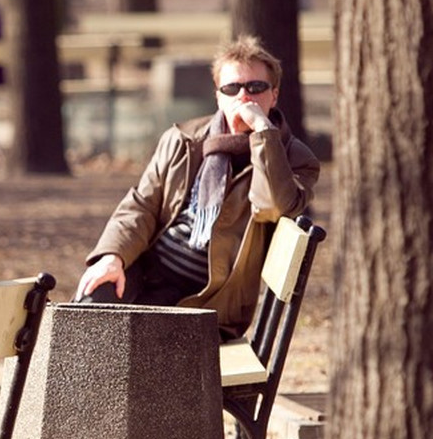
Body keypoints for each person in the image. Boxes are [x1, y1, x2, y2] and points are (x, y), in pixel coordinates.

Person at [73, 36, 320, 341]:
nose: (244, 97)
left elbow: (271, 206)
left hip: (207, 302)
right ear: (219, 97)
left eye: (256, 88)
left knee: (134, 345)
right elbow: (141, 204)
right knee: (90, 303)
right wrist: (113, 257)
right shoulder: (183, 139)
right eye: (232, 88)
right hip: (149, 272)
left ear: (274, 95)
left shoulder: (297, 160)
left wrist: (264, 134)